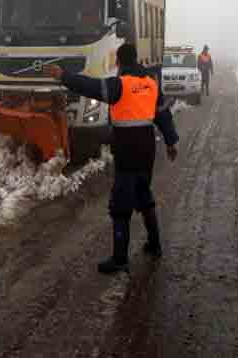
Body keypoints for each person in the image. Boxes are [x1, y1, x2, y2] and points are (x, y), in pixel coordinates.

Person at [44, 44, 179, 275]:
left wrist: (64, 76)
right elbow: (163, 114)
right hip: (147, 148)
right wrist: (170, 141)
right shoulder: (150, 84)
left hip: (127, 148)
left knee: (121, 204)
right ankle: (155, 244)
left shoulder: (119, 85)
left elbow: (90, 86)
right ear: (137, 60)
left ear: (119, 62)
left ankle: (119, 259)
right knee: (143, 191)